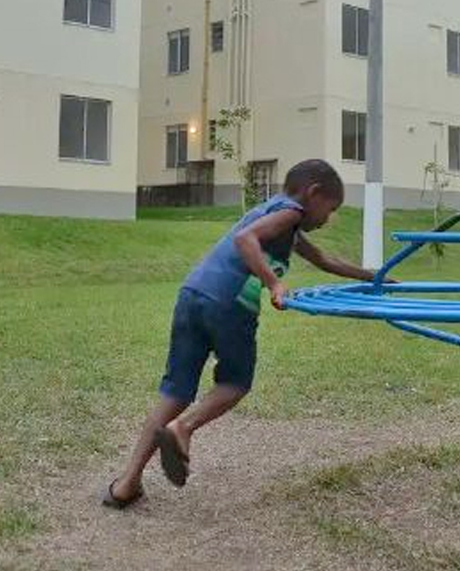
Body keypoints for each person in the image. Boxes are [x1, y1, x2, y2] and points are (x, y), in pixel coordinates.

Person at [102, 159, 378, 508]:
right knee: (235, 384)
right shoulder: (291, 213)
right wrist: (274, 282)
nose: (330, 217)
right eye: (331, 208)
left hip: (193, 295)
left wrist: (373, 278)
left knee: (175, 391)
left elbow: (325, 260)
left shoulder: (278, 217)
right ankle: (183, 429)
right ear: (314, 193)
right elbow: (245, 240)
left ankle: (126, 483)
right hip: (229, 303)